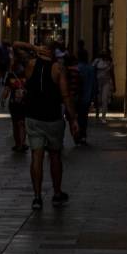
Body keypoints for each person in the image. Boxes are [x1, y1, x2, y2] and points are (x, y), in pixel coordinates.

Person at [12, 41, 78, 209]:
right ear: (53, 52)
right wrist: (73, 120)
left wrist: (34, 48)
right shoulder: (58, 69)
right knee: (55, 155)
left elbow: (15, 46)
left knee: (36, 156)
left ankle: (37, 197)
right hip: (53, 118)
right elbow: (65, 96)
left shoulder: (30, 64)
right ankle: (56, 194)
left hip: (33, 117)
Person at [1, 60, 28, 152]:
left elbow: (7, 89)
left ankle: (20, 144)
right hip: (18, 103)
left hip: (18, 103)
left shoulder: (12, 75)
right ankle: (20, 143)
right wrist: (3, 98)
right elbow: (7, 89)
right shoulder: (24, 74)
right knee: (19, 124)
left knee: (19, 123)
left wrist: (3, 99)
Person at [74, 50, 97, 146]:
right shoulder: (91, 69)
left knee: (76, 117)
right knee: (84, 117)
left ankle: (77, 135)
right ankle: (82, 136)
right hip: (87, 97)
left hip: (76, 97)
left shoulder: (76, 68)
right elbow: (94, 84)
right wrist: (94, 96)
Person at [94, 49, 115, 121]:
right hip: (98, 82)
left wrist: (114, 85)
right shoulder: (97, 61)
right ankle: (97, 113)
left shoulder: (110, 63)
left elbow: (112, 74)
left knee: (104, 99)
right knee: (98, 99)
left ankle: (103, 116)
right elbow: (93, 70)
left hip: (106, 82)